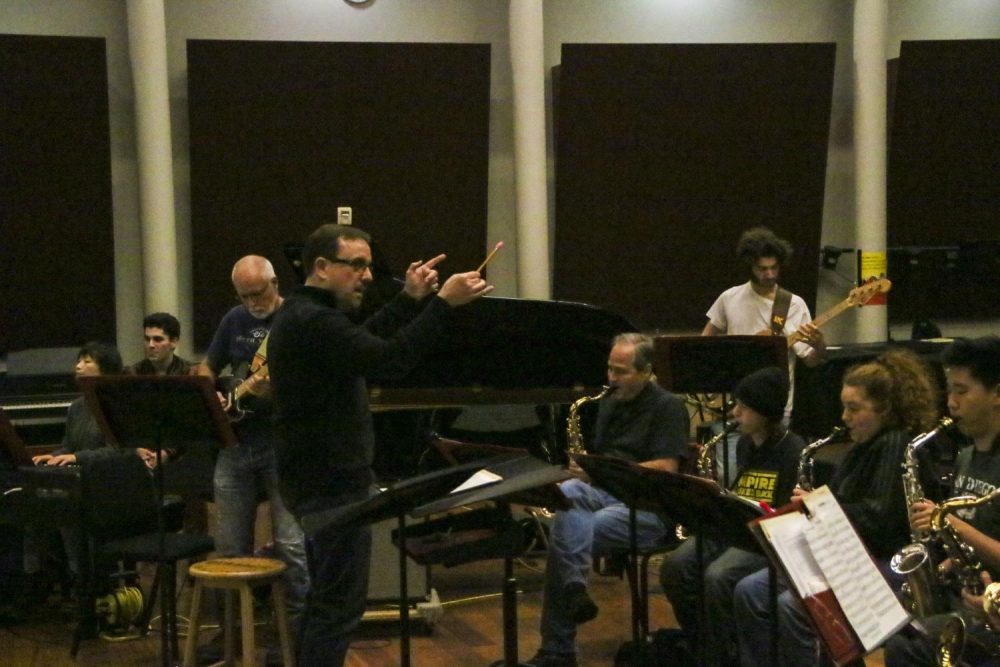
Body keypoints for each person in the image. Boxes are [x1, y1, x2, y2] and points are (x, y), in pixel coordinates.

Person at [267, 223, 491, 667]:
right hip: (331, 485)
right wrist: (442, 305)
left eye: (368, 265)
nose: (368, 276)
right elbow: (389, 360)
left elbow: (364, 343)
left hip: (318, 480)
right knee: (337, 610)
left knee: (326, 601)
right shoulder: (312, 321)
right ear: (322, 267)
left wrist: (409, 299)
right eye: (358, 265)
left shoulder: (308, 314)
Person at [732, 348, 940, 667]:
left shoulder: (896, 445)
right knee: (750, 590)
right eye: (844, 407)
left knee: (792, 606)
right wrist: (817, 501)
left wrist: (818, 505)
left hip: (877, 561)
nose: (844, 417)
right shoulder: (863, 446)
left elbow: (877, 519)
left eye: (854, 408)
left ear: (885, 409)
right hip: (843, 555)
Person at [526, 332, 690, 667]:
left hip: (647, 506)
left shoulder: (668, 406)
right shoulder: (609, 401)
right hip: (605, 491)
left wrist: (604, 470)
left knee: (571, 529)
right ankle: (574, 591)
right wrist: (584, 467)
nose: (612, 379)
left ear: (646, 372)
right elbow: (602, 458)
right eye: (610, 369)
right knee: (568, 495)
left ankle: (557, 650)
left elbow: (667, 467)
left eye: (621, 371)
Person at [196, 254, 309, 662]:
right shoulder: (234, 320)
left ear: (276, 284)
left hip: (283, 446)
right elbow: (207, 367)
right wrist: (212, 392)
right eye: (243, 296)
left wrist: (274, 391)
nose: (251, 303)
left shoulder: (296, 318)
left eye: (257, 294)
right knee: (228, 550)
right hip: (236, 445)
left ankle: (296, 641)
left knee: (293, 548)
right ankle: (230, 641)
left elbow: (311, 383)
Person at [659, 366, 805, 667]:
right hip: (736, 526)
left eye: (744, 407)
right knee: (676, 566)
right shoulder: (744, 444)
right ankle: (704, 642)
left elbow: (787, 515)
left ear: (765, 412)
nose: (735, 413)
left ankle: (725, 656)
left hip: (766, 536)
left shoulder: (794, 451)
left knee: (718, 576)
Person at [884, 336, 1000, 667]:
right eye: (949, 391)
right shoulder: (965, 458)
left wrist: (950, 523)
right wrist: (948, 560)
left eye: (962, 391)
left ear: (997, 394)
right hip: (966, 599)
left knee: (906, 650)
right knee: (896, 632)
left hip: (992, 614)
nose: (951, 403)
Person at [702, 226, 826, 420]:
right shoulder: (729, 297)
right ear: (749, 267)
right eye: (762, 269)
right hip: (735, 404)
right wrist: (711, 380)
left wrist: (818, 344)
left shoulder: (793, 304)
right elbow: (705, 339)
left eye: (774, 268)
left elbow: (810, 361)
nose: (769, 274)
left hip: (776, 406)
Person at [128, 312, 194, 376]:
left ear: (174, 342)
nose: (151, 345)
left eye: (158, 339)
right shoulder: (133, 373)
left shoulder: (190, 373)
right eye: (147, 339)